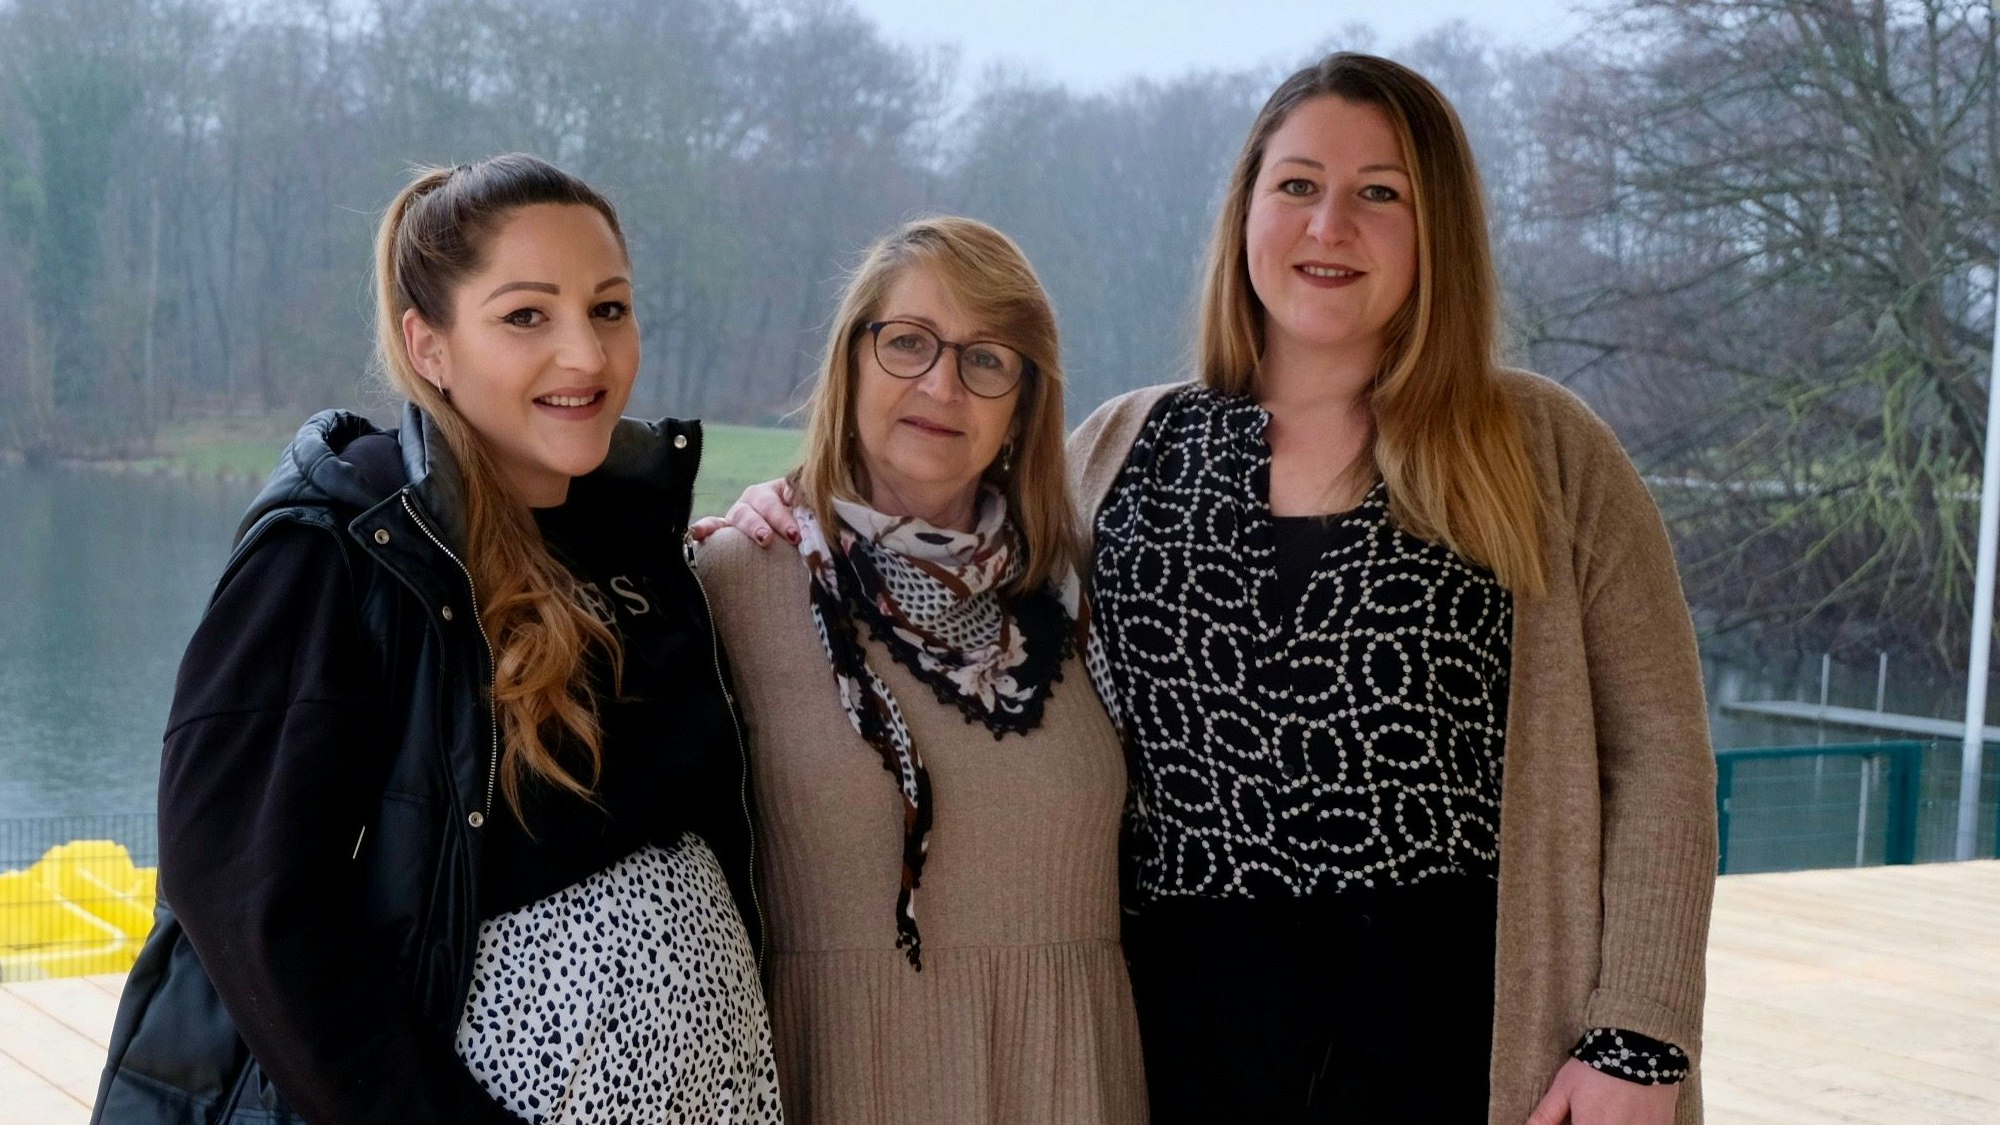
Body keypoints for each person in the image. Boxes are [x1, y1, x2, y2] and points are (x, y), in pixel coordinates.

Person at [701, 53, 1717, 1125]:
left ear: (1440, 233)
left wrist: (1638, 1037)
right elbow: (953, 543)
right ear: (1245, 212)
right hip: (1183, 1055)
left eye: (1380, 193)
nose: (1329, 225)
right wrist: (790, 512)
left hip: (1455, 1042)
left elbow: (1657, 748)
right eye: (1297, 184)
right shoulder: (1125, 452)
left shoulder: (1539, 451)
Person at [92, 153, 782, 1125]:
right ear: (430, 346)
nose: (586, 356)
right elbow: (245, 895)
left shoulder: (641, 541)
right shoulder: (344, 548)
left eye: (610, 309)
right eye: (526, 315)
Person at [693, 216, 1146, 1123]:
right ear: (852, 360)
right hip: (851, 1077)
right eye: (907, 342)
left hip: (1074, 1080)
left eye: (987, 359)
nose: (943, 384)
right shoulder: (737, 579)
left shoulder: (1085, 583)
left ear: (1025, 401)